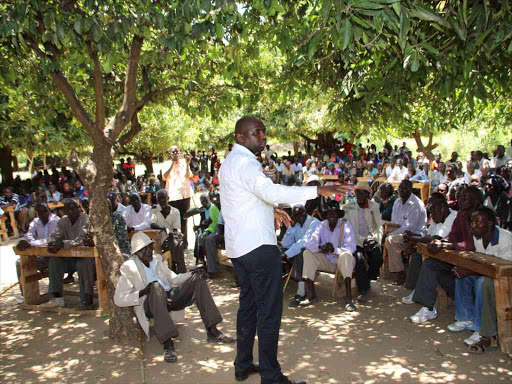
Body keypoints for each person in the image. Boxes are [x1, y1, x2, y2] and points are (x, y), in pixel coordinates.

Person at [219, 116, 347, 384]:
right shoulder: (246, 164)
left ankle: (243, 365)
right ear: (240, 137)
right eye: (256, 133)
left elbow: (246, 198)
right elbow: (272, 190)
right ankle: (271, 376)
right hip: (257, 247)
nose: (263, 137)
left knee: (249, 307)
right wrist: (318, 189)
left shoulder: (231, 162)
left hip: (240, 248)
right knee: (268, 311)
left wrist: (271, 210)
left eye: (264, 132)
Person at [114, 232, 234, 363]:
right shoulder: (129, 267)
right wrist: (143, 291)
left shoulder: (156, 260)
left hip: (168, 298)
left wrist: (192, 273)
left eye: (150, 247)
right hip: (150, 304)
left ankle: (212, 331)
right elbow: (119, 299)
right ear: (136, 252)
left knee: (198, 279)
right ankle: (167, 344)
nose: (149, 251)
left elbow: (175, 279)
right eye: (144, 249)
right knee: (155, 287)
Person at [409, 186, 484, 324]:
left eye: (465, 197)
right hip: (460, 260)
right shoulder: (461, 215)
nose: (460, 200)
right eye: (460, 197)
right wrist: (442, 242)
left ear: (476, 201)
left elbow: (471, 244)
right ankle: (428, 308)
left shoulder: (483, 217)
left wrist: (446, 245)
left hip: (479, 265)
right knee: (430, 264)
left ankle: (470, 315)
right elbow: (453, 236)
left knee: (462, 276)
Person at [448, 207, 512, 352]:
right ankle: (465, 317)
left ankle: (482, 330)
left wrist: (470, 270)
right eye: (472, 222)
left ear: (489, 224)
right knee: (461, 275)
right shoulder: (477, 236)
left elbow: (504, 271)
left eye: (478, 222)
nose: (473, 225)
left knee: (483, 283)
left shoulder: (506, 240)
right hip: (490, 273)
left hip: (506, 279)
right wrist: (467, 271)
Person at [401, 195, 457, 304]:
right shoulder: (437, 217)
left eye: (434, 212)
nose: (432, 216)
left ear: (442, 207)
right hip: (438, 253)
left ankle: (423, 299)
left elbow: (435, 238)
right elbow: (428, 235)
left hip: (451, 259)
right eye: (430, 212)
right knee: (417, 255)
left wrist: (413, 238)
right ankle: (415, 290)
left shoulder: (453, 217)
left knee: (426, 261)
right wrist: (413, 236)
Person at [302, 201, 357, 310]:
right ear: (325, 215)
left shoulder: (345, 225)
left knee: (346, 255)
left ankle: (349, 299)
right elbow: (310, 244)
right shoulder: (321, 225)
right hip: (327, 260)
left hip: (342, 262)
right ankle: (312, 295)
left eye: (334, 213)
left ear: (338, 214)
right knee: (307, 253)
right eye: (329, 213)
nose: (332, 215)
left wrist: (335, 250)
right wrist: (320, 247)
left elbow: (351, 248)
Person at [44, 199, 95, 309]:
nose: (72, 211)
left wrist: (63, 244)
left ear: (78, 208)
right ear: (65, 211)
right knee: (54, 260)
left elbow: (81, 239)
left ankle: (87, 299)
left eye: (74, 208)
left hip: (84, 257)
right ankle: (57, 298)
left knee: (84, 263)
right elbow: (56, 235)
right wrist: (52, 243)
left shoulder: (85, 218)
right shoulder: (63, 221)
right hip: (69, 258)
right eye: (69, 209)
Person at [343, 182, 383, 302]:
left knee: (377, 257)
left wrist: (375, 239)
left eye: (362, 193)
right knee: (359, 259)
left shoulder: (374, 206)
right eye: (357, 192)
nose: (359, 195)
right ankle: (363, 290)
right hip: (355, 240)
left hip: (371, 239)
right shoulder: (348, 207)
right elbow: (349, 229)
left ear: (367, 195)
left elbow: (379, 225)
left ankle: (368, 280)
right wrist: (363, 240)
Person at [384, 180, 427, 285]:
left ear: (410, 189)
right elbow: (394, 223)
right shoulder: (397, 202)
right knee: (385, 237)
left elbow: (410, 227)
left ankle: (400, 273)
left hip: (415, 236)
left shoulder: (416, 204)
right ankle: (395, 269)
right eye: (400, 188)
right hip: (400, 233)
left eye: (405, 188)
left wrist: (390, 234)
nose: (402, 190)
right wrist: (387, 232)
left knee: (390, 240)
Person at [15, 203, 60, 300]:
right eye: (40, 213)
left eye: (45, 211)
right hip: (42, 256)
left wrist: (32, 243)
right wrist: (23, 241)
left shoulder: (55, 220)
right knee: (20, 263)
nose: (43, 214)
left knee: (53, 262)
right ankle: (26, 294)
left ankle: (54, 296)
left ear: (49, 210)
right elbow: (29, 235)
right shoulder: (35, 222)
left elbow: (51, 240)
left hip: (55, 254)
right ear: (37, 213)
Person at [281, 204, 320, 307]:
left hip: (314, 252)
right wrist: (291, 228)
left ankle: (301, 292)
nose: (298, 218)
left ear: (305, 213)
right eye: (295, 216)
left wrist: (286, 254)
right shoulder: (297, 224)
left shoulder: (313, 222)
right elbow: (285, 244)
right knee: (280, 249)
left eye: (300, 215)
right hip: (298, 251)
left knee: (300, 252)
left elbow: (305, 242)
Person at [162, 146, 193, 249]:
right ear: (170, 153)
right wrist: (172, 163)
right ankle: (175, 244)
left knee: (184, 220)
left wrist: (188, 163)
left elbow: (189, 175)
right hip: (172, 196)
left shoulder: (184, 163)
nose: (175, 153)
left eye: (177, 151)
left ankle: (184, 245)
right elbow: (164, 177)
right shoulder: (166, 163)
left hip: (185, 195)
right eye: (173, 151)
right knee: (174, 221)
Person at [150, 189, 186, 273]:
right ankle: (179, 268)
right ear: (157, 199)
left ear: (168, 198)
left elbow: (176, 228)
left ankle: (175, 265)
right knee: (177, 244)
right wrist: (163, 228)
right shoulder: (154, 210)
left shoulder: (175, 211)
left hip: (172, 237)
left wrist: (171, 233)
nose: (162, 200)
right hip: (160, 238)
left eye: (164, 198)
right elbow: (152, 224)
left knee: (176, 241)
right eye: (159, 198)